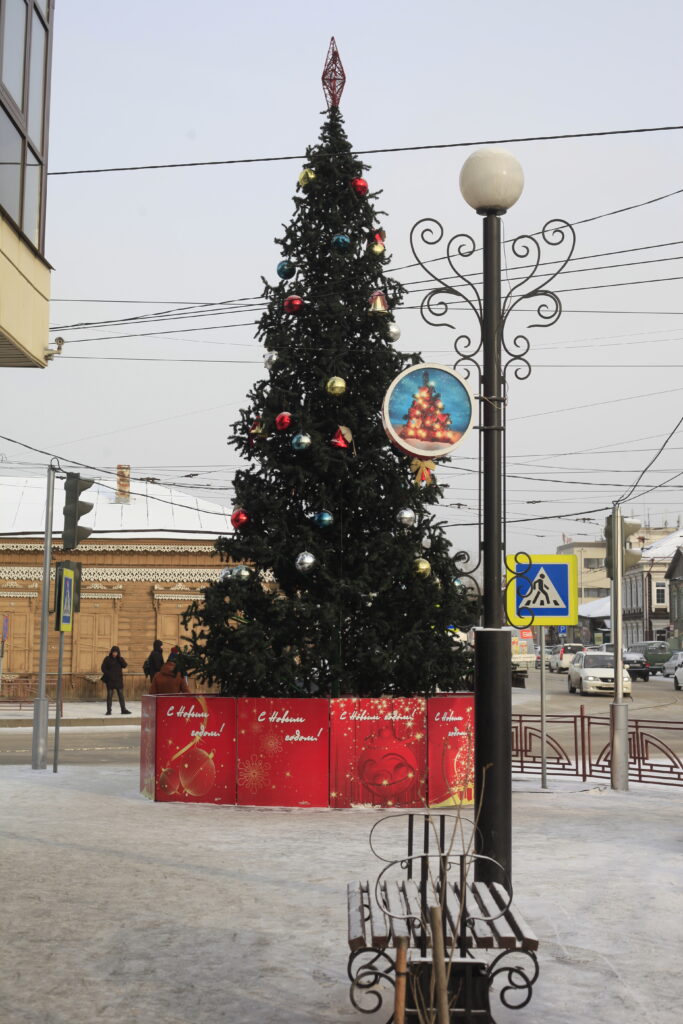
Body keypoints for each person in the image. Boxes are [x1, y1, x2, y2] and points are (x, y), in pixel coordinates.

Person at [100, 646, 132, 716]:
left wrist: (120, 659)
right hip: (110, 680)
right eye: (113, 652)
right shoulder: (107, 659)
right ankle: (108, 710)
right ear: (111, 652)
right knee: (109, 695)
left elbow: (125, 665)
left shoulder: (120, 659)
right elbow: (103, 668)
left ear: (118, 653)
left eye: (116, 652)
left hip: (118, 680)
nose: (114, 654)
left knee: (121, 695)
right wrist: (108, 674)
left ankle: (123, 710)